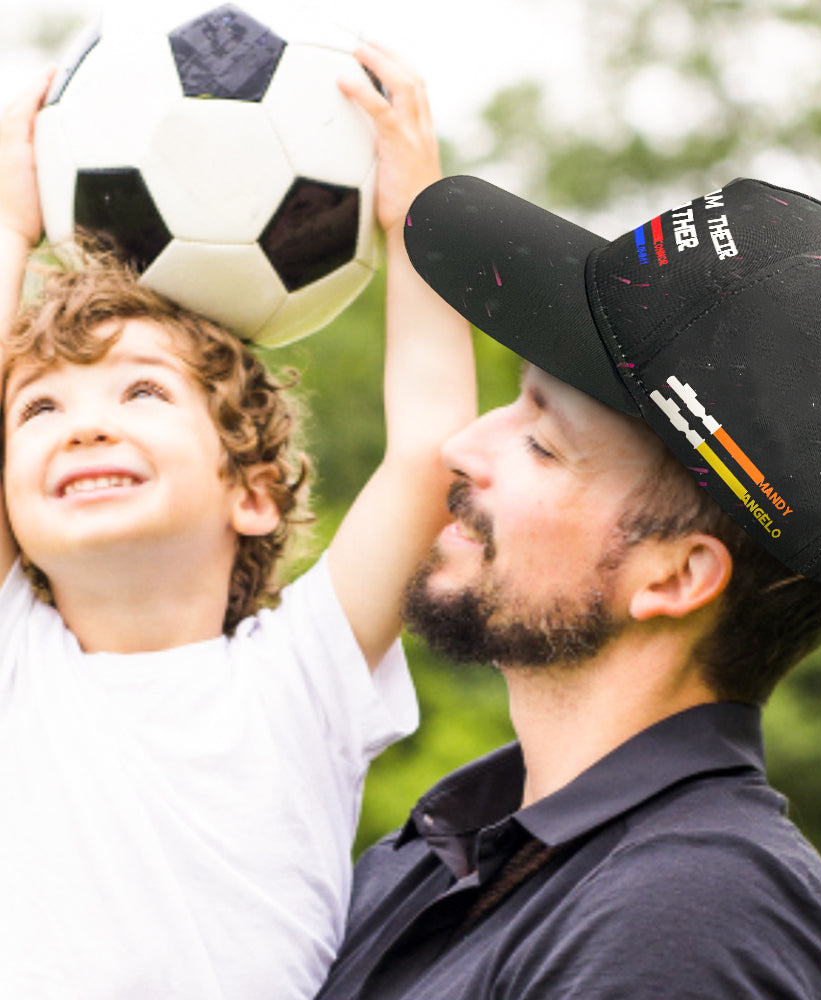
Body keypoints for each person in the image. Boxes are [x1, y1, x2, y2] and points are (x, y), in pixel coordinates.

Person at [317, 174, 821, 999]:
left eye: (543, 443)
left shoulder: (687, 924)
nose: (463, 447)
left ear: (676, 575)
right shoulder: (462, 847)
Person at [0, 45, 473, 1000]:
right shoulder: (15, 656)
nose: (86, 423)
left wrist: (416, 220)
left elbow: (431, 455)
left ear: (251, 493)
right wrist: (11, 227)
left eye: (140, 392)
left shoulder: (302, 674)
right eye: (39, 409)